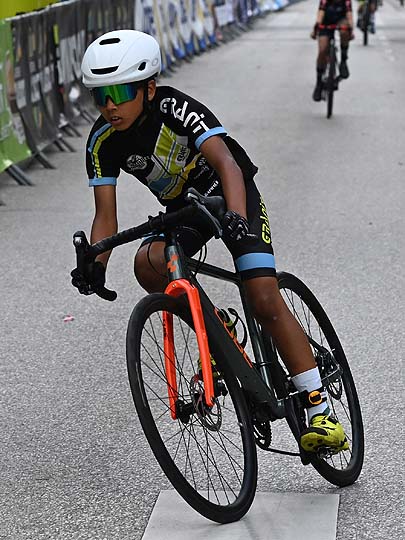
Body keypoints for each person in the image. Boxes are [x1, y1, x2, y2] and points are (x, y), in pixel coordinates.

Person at [71, 29, 348, 454]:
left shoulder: (176, 108)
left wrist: (235, 217)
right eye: (100, 96)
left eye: (121, 92)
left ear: (148, 88)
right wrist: (97, 263)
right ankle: (216, 325)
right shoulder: (102, 142)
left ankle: (319, 407)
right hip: (185, 209)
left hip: (231, 192)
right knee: (148, 263)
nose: (110, 105)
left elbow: (227, 164)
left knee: (262, 295)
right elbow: (105, 216)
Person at [311, 0, 354, 102]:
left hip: (341, 20)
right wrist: (316, 28)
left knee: (344, 30)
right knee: (322, 50)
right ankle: (319, 83)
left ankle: (343, 61)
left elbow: (349, 15)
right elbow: (320, 14)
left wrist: (351, 29)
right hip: (326, 21)